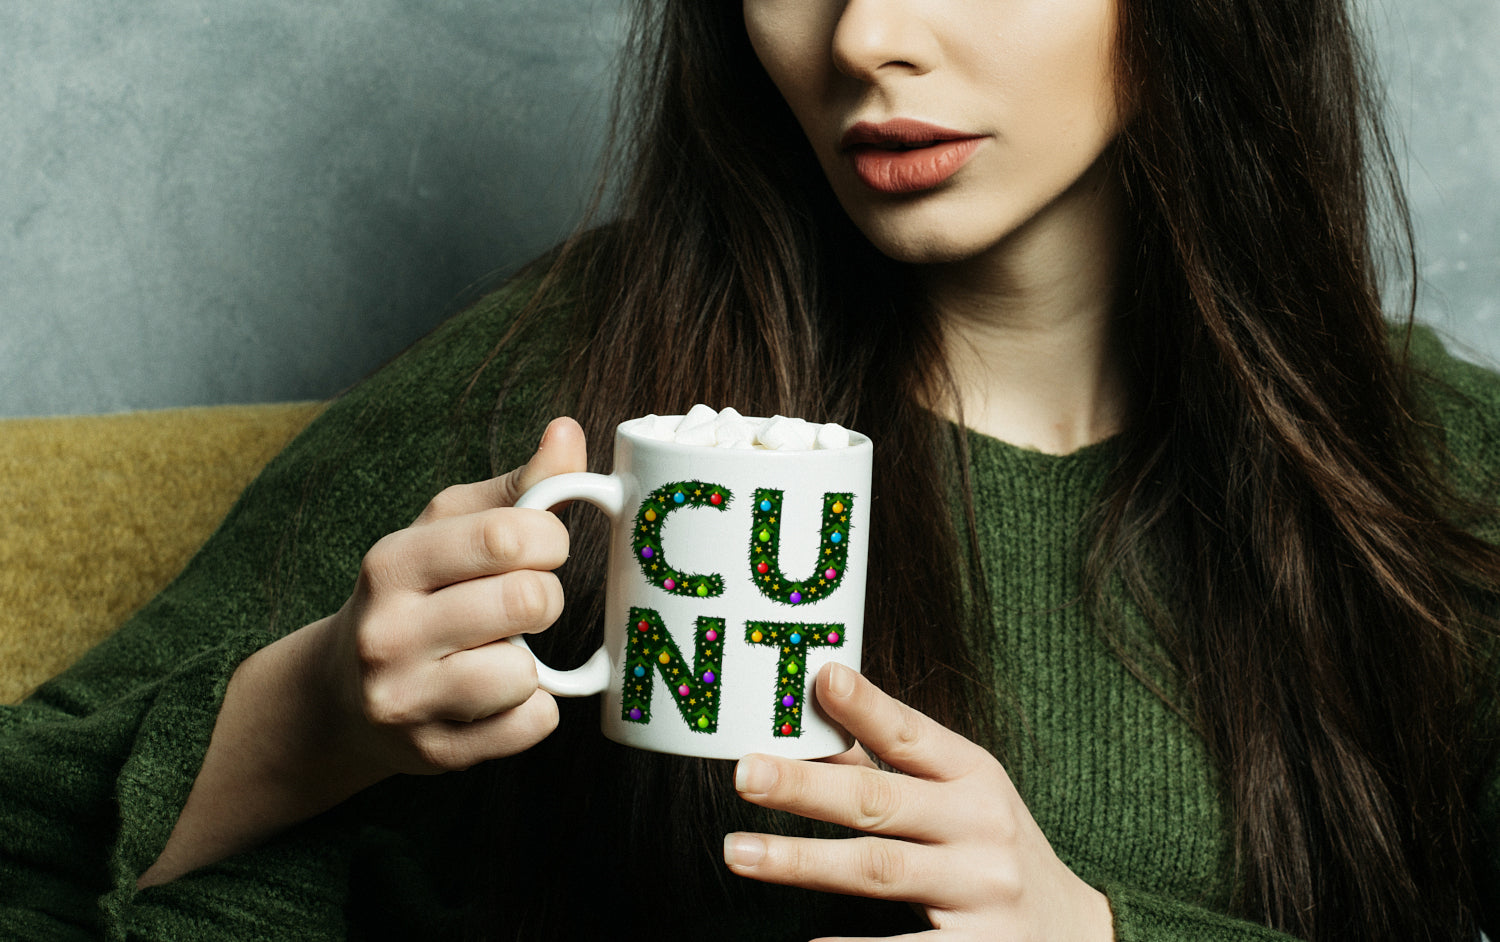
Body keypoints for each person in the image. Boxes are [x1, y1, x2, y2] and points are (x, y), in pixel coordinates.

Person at [2, 0, 1497, 939]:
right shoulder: (579, 383)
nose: (864, 38)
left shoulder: (1440, 482)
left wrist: (1091, 928)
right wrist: (319, 709)